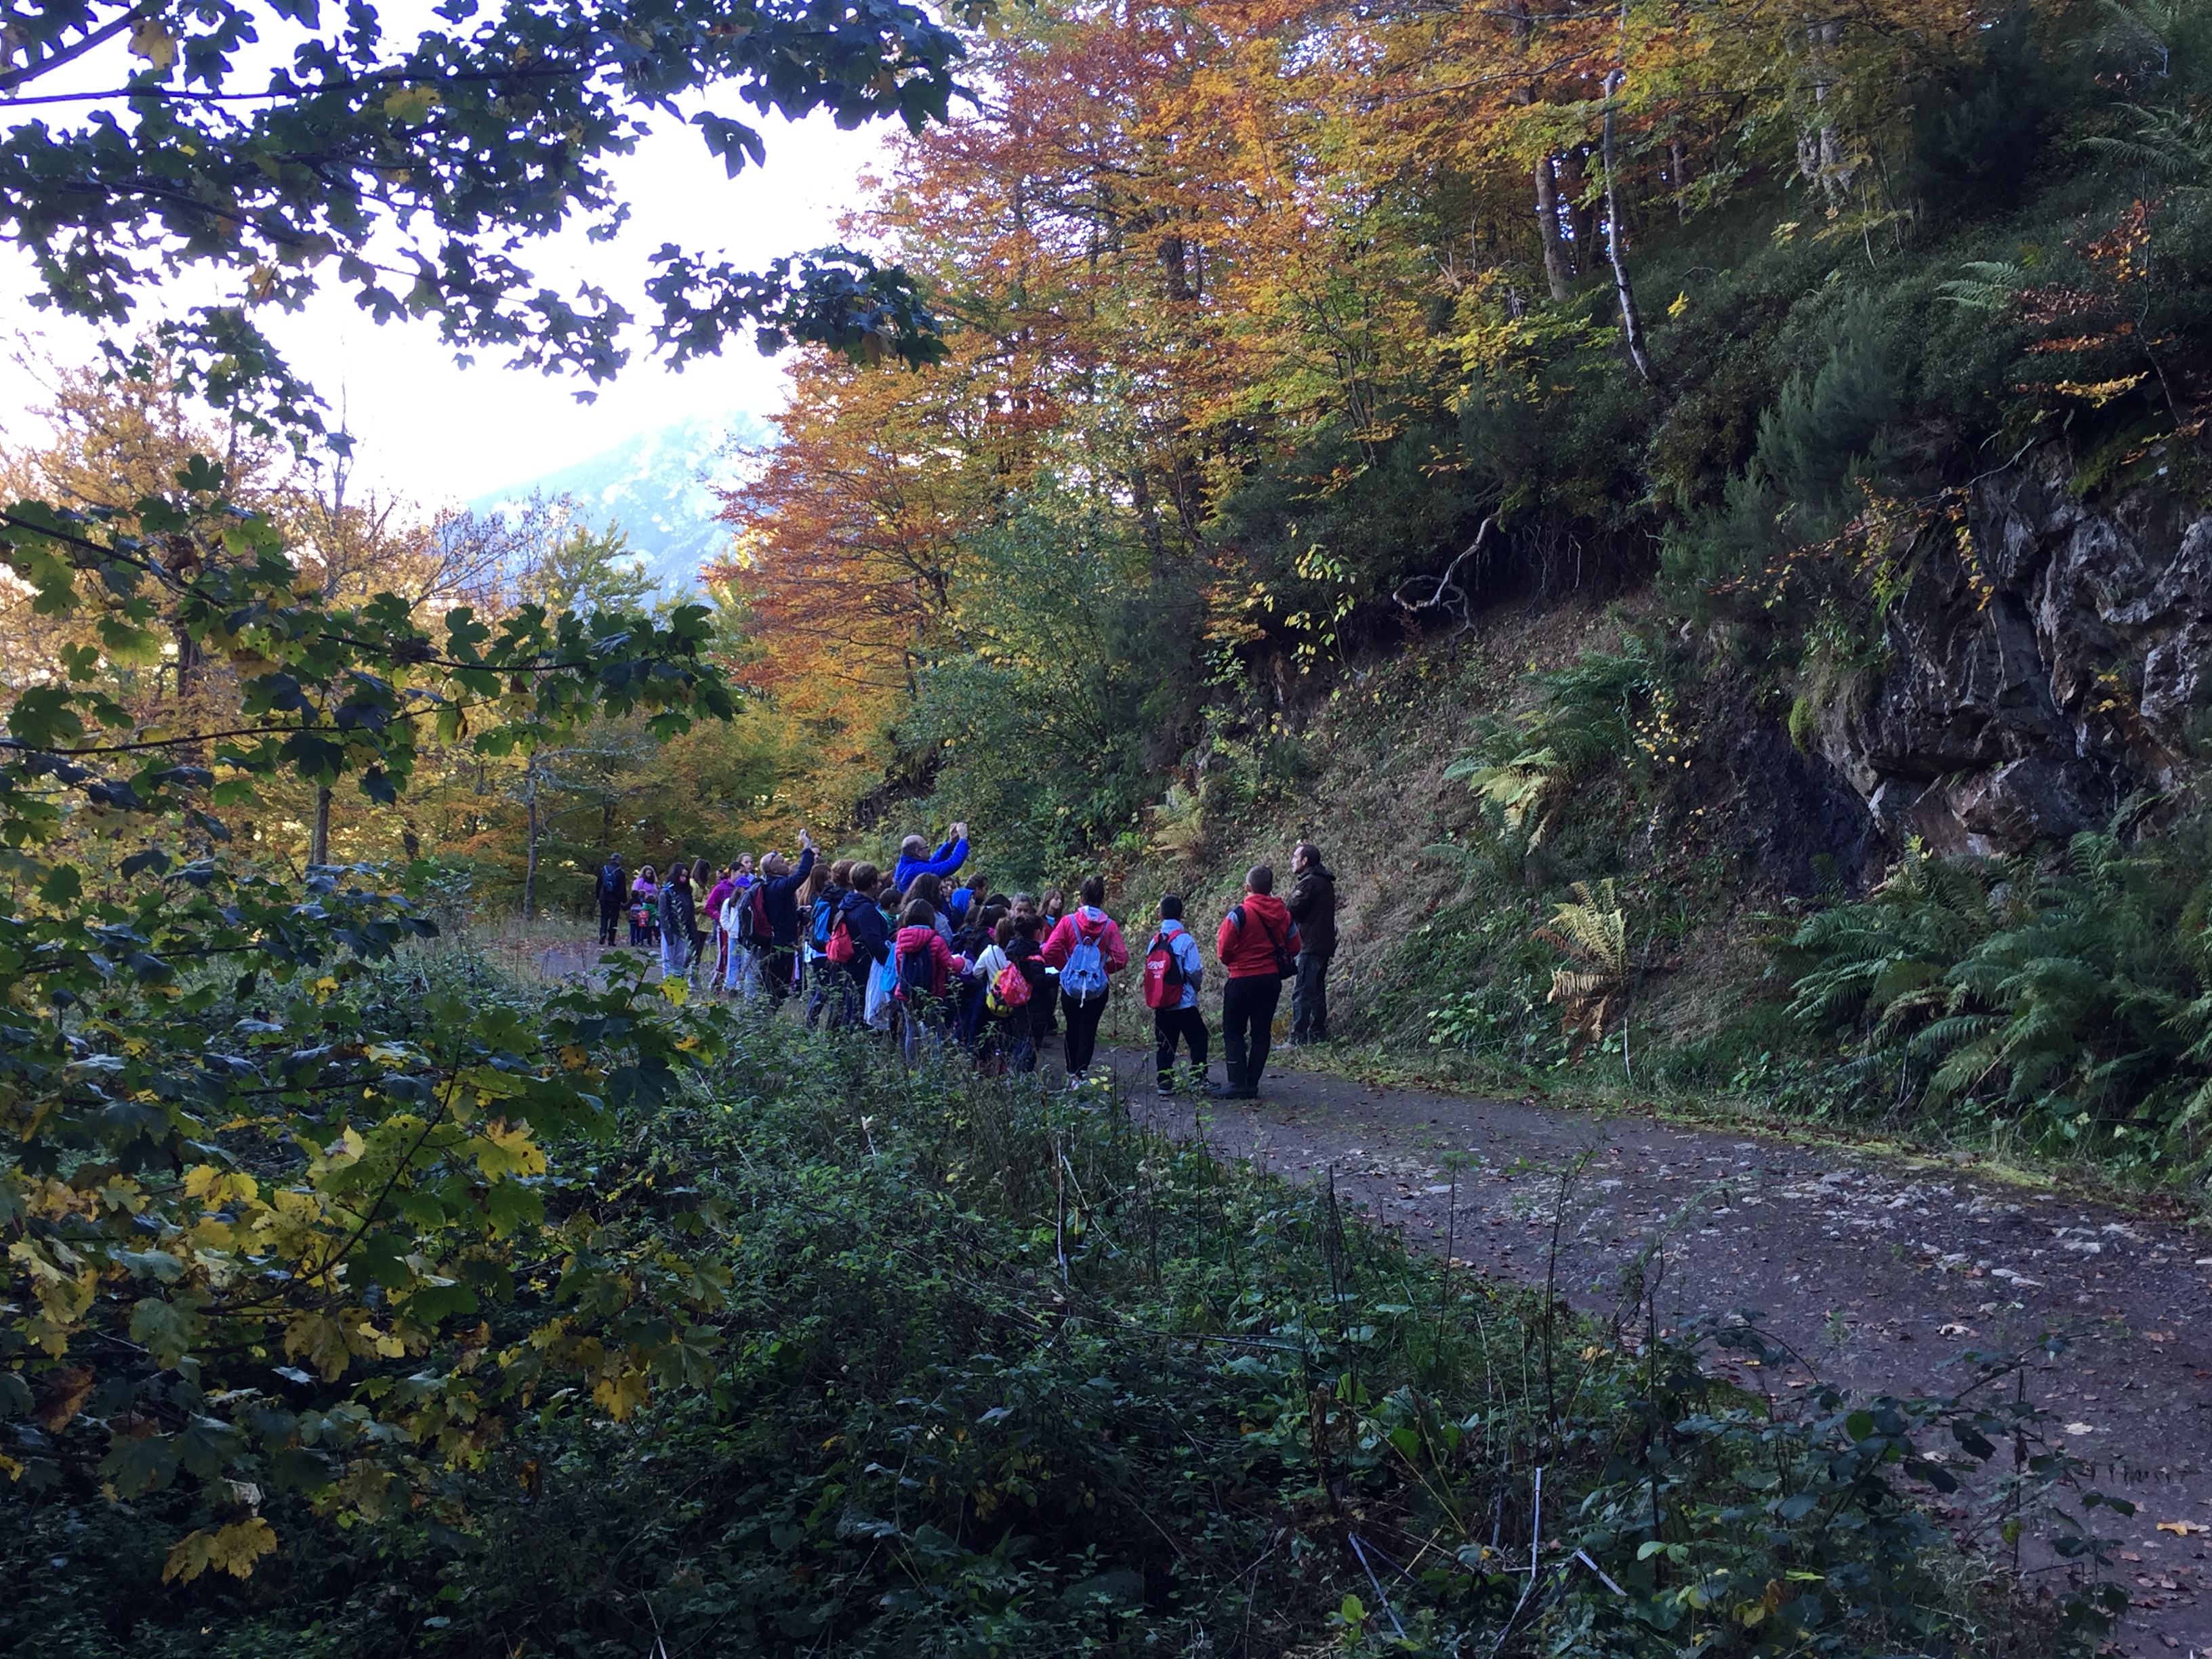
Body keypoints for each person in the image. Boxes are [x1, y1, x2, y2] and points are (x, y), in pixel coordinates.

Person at [1212, 864, 1300, 1100]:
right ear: (1270, 888)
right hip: (1271, 980)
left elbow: (1223, 950)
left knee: (1233, 1031)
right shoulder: (1284, 914)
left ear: (1248, 887)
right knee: (1261, 1032)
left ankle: (1236, 1083)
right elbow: (1295, 946)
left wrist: (1236, 962)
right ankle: (1252, 1082)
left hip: (1241, 979)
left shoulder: (1239, 914)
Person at [1040, 875, 1128, 1087]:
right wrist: (1100, 968)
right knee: (1089, 1029)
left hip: (1072, 986)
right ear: (1102, 899)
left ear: (1081, 898)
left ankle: (1071, 1074)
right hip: (1097, 988)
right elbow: (1121, 959)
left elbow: (1050, 951)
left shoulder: (1068, 922)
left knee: (1072, 1028)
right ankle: (1081, 1075)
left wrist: (1067, 966)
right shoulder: (1110, 926)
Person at [1147, 893, 1208, 1097]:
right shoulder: (1185, 940)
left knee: (1165, 1043)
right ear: (1181, 915)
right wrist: (1197, 987)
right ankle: (1198, 1078)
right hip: (1183, 1001)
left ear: (1160, 915)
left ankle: (1164, 1082)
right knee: (1199, 1038)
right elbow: (1194, 970)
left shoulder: (1154, 941)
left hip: (1161, 1002)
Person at [753, 835, 817, 1007]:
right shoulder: (778, 887)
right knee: (774, 990)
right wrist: (807, 847)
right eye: (781, 862)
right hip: (778, 946)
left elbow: (777, 915)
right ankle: (765, 1024)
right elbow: (802, 873)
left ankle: (767, 1023)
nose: (786, 864)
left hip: (780, 943)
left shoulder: (774, 887)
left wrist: (796, 915)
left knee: (776, 990)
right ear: (773, 870)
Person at [1286, 842, 1338, 1044]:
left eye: (1295, 858)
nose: (1292, 861)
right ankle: (1317, 1034)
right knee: (1317, 991)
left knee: (1303, 993)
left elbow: (1292, 910)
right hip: (1323, 944)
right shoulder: (1324, 882)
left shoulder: (1309, 883)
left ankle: (1297, 1038)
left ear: (1305, 861)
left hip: (1309, 945)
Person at [834, 862, 893, 1028]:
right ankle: (863, 1042)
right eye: (878, 881)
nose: (881, 884)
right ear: (872, 884)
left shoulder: (848, 903)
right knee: (864, 1005)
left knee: (852, 1005)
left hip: (852, 962)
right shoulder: (866, 909)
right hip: (866, 966)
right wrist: (890, 964)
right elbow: (874, 942)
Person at [804, 859, 853, 1027]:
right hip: (835, 950)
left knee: (824, 990)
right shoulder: (844, 900)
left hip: (818, 948)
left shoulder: (825, 896)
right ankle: (832, 1031)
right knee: (836, 994)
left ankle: (810, 1025)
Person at [893, 822, 969, 893]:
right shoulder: (915, 870)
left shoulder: (905, 865)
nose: (928, 849)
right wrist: (963, 839)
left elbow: (932, 864)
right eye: (926, 846)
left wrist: (951, 842)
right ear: (918, 852)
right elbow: (951, 865)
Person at [659, 864, 695, 980]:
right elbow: (664, 914)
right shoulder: (666, 892)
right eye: (682, 876)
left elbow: (690, 913)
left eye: (686, 876)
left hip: (683, 932)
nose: (684, 879)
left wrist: (692, 931)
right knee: (669, 961)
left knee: (680, 961)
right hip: (671, 931)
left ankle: (679, 984)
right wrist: (667, 933)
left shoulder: (687, 893)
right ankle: (668, 986)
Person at [594, 853, 626, 948]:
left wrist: (598, 896)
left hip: (604, 897)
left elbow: (598, 884)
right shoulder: (620, 871)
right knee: (614, 918)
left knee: (604, 917)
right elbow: (622, 887)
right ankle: (611, 939)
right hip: (615, 899)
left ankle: (603, 933)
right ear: (618, 860)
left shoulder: (603, 870)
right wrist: (623, 899)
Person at [631, 864, 658, 947]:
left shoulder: (653, 883)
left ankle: (647, 938)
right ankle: (640, 938)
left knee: (651, 922)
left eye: (651, 873)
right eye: (648, 873)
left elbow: (655, 892)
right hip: (643, 902)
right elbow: (635, 890)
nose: (649, 875)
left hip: (652, 902)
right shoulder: (640, 881)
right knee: (643, 921)